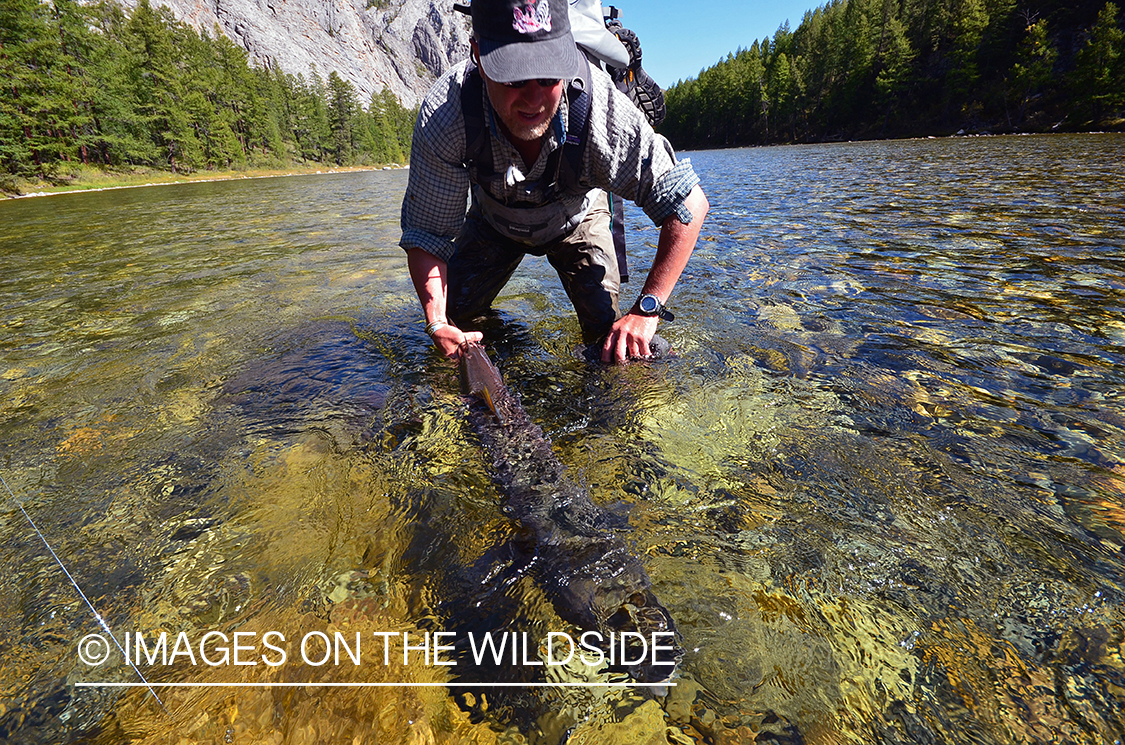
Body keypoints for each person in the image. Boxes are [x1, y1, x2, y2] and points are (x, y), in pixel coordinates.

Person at [400, 0, 708, 364]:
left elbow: (689, 204)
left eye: (548, 77)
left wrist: (647, 310)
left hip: (578, 218)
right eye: (514, 78)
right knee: (453, 325)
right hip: (493, 221)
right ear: (479, 57)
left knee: (610, 346)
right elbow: (429, 236)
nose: (533, 100)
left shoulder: (601, 114)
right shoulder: (446, 115)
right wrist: (436, 322)